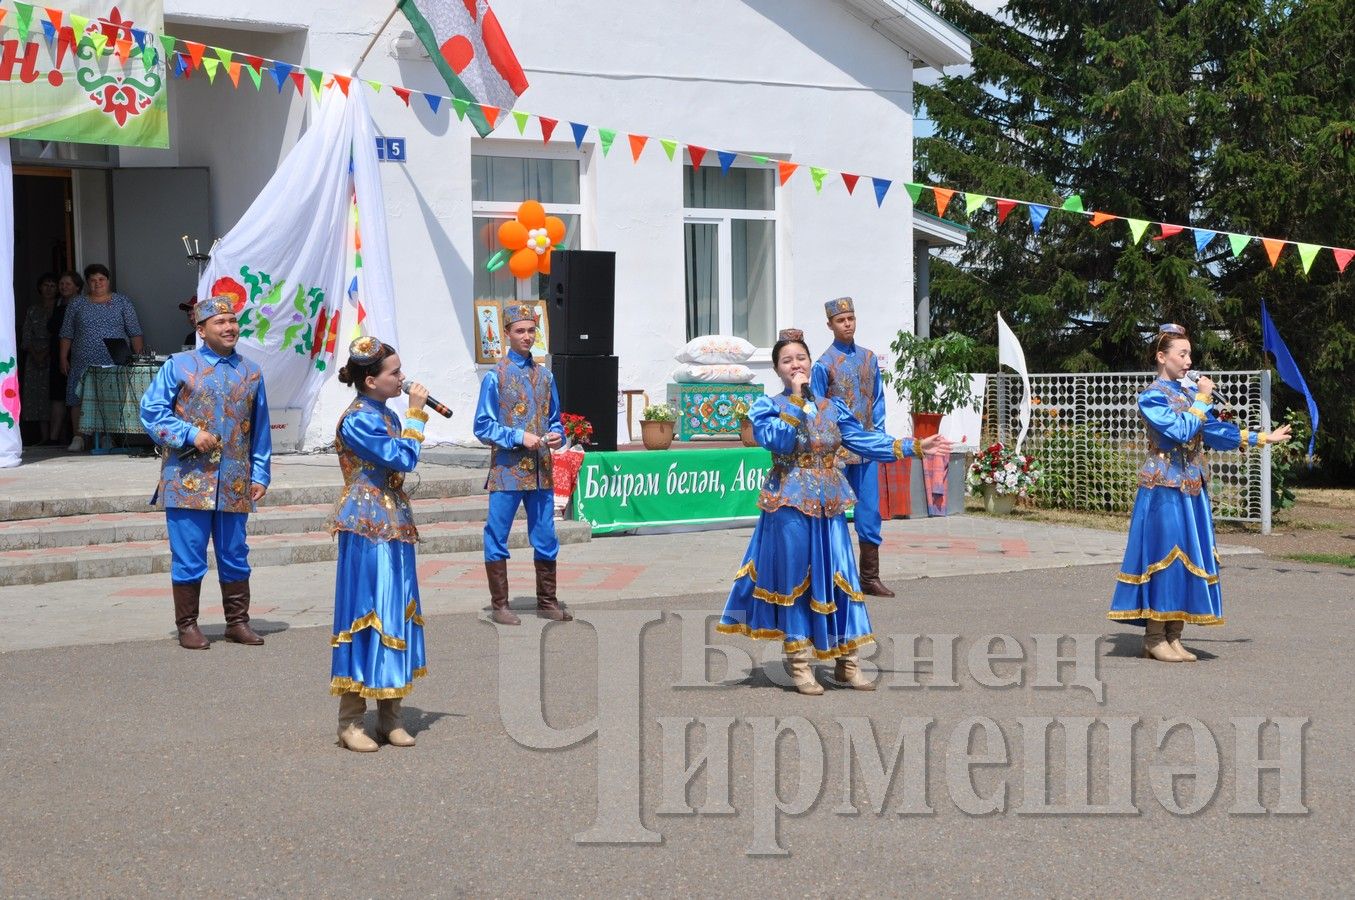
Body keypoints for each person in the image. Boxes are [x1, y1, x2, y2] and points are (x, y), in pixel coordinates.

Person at [718, 329, 954, 694]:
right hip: (789, 506)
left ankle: (848, 663)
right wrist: (796, 400)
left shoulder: (832, 408)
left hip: (830, 504)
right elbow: (779, 440)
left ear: (810, 362)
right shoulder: (767, 407)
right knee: (796, 581)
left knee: (842, 576)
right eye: (787, 360)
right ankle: (799, 666)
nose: (796, 364)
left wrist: (913, 446)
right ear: (778, 370)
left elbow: (863, 440)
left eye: (801, 358)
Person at [1108, 324, 1292, 662]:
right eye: (1182, 354)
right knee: (1165, 557)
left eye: (1190, 354)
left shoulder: (1190, 396)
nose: (1189, 361)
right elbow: (1180, 431)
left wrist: (1262, 438)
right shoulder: (1152, 396)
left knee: (1188, 556)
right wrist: (1204, 398)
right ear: (1161, 357)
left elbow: (1213, 432)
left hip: (1191, 485)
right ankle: (1153, 637)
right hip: (1163, 487)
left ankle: (1174, 636)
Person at [139, 296, 271, 650]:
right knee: (189, 554)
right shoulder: (179, 366)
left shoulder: (252, 371)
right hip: (186, 479)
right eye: (220, 322)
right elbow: (151, 411)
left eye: (232, 321)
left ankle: (237, 622)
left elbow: (259, 429)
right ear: (201, 330)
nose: (229, 327)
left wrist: (260, 473)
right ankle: (187, 625)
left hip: (234, 479)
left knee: (234, 552)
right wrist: (188, 434)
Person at [326, 336, 430, 752]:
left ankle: (391, 715)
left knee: (397, 610)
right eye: (395, 373)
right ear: (370, 380)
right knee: (367, 609)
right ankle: (351, 721)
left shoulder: (384, 413)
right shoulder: (358, 420)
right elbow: (403, 458)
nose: (403, 379)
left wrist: (408, 417)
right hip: (366, 523)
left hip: (395, 522)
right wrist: (417, 417)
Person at [473, 304, 570, 625]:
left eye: (531, 330)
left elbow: (555, 420)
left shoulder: (546, 375)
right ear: (507, 334)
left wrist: (557, 435)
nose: (527, 337)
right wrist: (518, 436)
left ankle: (547, 600)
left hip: (542, 470)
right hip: (507, 470)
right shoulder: (495, 377)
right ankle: (500, 604)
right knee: (497, 533)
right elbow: (483, 426)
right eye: (520, 331)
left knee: (546, 534)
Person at [810, 296, 894, 596]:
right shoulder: (823, 365)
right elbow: (817, 407)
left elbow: (878, 400)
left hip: (867, 450)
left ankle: (869, 577)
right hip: (838, 454)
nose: (847, 324)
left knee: (869, 513)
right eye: (841, 320)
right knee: (832, 513)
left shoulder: (870, 359)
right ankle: (834, 579)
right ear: (830, 325)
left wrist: (879, 439)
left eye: (851, 319)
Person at [59, 263, 144, 452]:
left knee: (110, 398)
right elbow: (67, 333)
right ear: (87, 283)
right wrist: (63, 357)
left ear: (108, 281)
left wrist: (137, 358)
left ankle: (108, 437)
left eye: (101, 280)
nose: (97, 284)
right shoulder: (77, 303)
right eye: (92, 280)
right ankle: (79, 437)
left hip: (114, 359)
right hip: (82, 359)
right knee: (77, 396)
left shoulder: (122, 302)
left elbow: (135, 332)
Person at [19, 273, 58, 444]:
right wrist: (35, 354)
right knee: (38, 397)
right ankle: (44, 437)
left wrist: (47, 352)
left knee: (55, 395)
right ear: (40, 288)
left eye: (52, 285)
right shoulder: (33, 310)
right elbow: (26, 335)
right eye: (45, 285)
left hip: (54, 356)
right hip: (33, 358)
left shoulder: (59, 307)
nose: (48, 289)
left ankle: (59, 435)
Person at [46, 270, 82, 445]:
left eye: (68, 283)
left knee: (75, 397)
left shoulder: (81, 305)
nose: (63, 287)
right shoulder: (57, 303)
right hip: (57, 355)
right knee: (58, 396)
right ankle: (54, 438)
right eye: (62, 283)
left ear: (77, 286)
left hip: (74, 355)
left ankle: (77, 436)